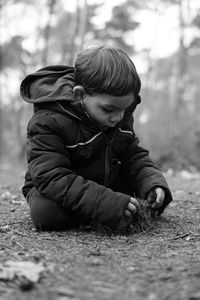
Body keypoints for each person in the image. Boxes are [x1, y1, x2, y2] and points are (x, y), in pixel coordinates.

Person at [20, 45, 172, 231]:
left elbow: (133, 156)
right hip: (55, 186)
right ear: (80, 94)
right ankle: (105, 209)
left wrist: (153, 184)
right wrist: (103, 202)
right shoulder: (48, 121)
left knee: (136, 193)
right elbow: (51, 177)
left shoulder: (119, 116)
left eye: (124, 108)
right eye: (109, 109)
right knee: (46, 213)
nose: (117, 118)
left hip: (104, 182)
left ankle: (111, 208)